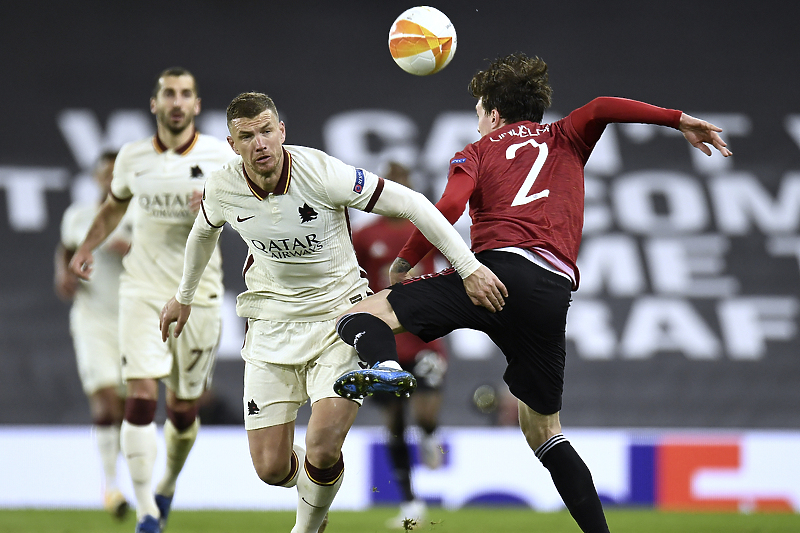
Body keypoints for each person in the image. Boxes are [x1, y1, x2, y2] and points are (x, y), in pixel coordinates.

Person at [333, 52, 732, 533]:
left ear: (494, 114)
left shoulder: (475, 152)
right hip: (550, 290)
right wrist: (678, 120)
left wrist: (404, 262)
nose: (478, 122)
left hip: (491, 275)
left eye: (479, 113)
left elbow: (449, 206)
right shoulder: (566, 136)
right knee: (544, 430)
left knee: (360, 315)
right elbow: (603, 106)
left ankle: (389, 367)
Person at [158, 91, 505, 533]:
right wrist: (183, 297)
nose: (260, 143)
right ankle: (316, 492)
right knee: (270, 468)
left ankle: (307, 527)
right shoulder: (224, 186)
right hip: (271, 326)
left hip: (339, 322)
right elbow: (202, 232)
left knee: (322, 448)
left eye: (267, 131)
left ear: (282, 131)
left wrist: (469, 266)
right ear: (232, 144)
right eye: (247, 136)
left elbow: (415, 205)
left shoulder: (323, 173)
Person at [69, 67, 232, 533]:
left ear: (197, 106)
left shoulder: (220, 157)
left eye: (185, 95)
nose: (177, 102)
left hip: (198, 295)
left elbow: (250, 215)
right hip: (140, 290)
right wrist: (86, 246)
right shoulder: (133, 157)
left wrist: (215, 210)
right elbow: (113, 207)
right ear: (155, 104)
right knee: (140, 398)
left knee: (182, 409)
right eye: (169, 95)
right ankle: (145, 513)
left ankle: (167, 481)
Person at [351, 161, 448, 528]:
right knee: (393, 423)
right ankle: (410, 503)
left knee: (424, 412)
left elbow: (444, 272)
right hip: (385, 340)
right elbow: (357, 282)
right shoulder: (365, 235)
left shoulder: (425, 229)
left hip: (423, 335)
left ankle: (430, 433)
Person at [55, 150, 131, 520]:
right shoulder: (79, 217)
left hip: (134, 322)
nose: (110, 179)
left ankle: (133, 481)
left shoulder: (139, 218)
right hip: (92, 320)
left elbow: (162, 258)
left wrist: (129, 247)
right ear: (97, 178)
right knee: (104, 401)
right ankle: (111, 486)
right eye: (105, 173)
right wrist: (63, 274)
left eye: (116, 173)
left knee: (128, 407)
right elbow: (66, 250)